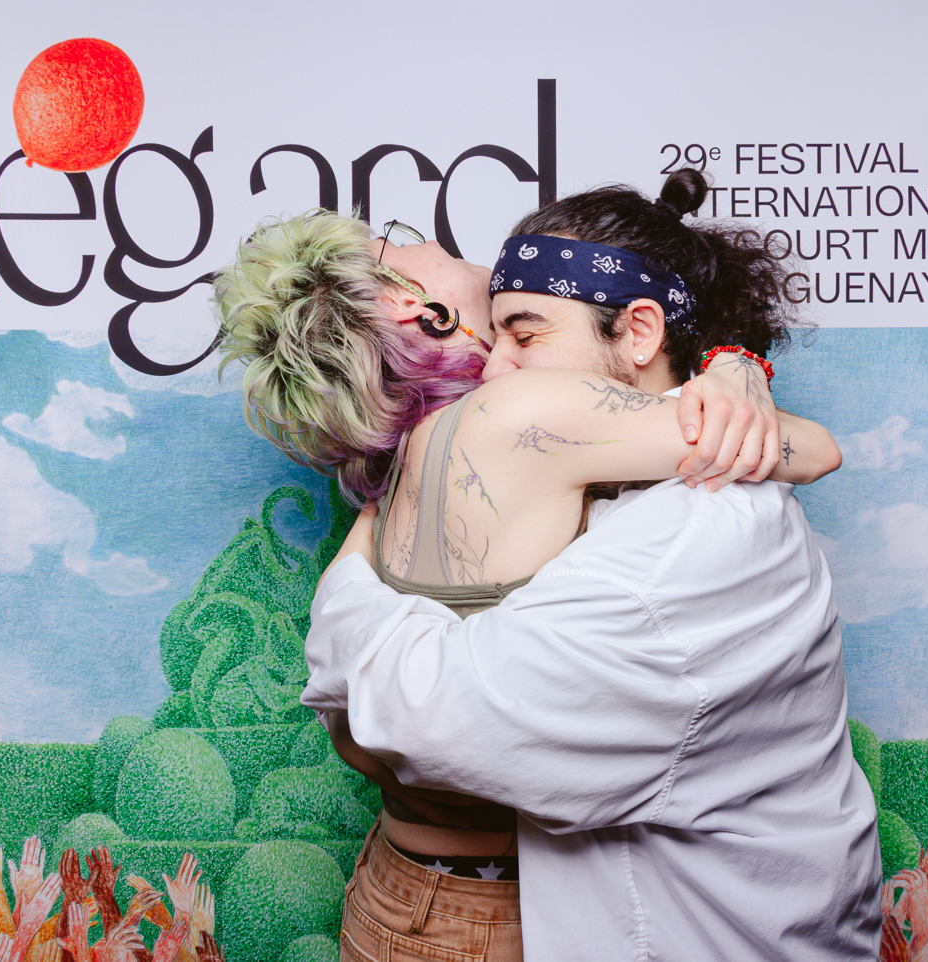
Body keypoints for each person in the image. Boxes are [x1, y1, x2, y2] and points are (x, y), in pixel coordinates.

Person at [295, 171, 881, 962]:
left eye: (525, 334)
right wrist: (736, 362)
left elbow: (428, 727)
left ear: (639, 333)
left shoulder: (691, 543)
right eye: (494, 334)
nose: (492, 375)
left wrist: (347, 589)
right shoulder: (620, 488)